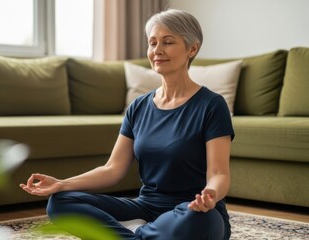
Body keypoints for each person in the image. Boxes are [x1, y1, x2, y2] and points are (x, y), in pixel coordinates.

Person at [20, 9, 233, 240]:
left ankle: (136, 233)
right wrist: (62, 184)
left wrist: (211, 194)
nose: (157, 50)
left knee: (200, 222)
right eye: (152, 43)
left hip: (193, 210)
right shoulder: (138, 107)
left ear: (192, 48)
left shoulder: (212, 105)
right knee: (61, 202)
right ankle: (142, 235)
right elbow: (112, 169)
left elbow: (219, 173)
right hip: (146, 207)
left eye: (168, 42)